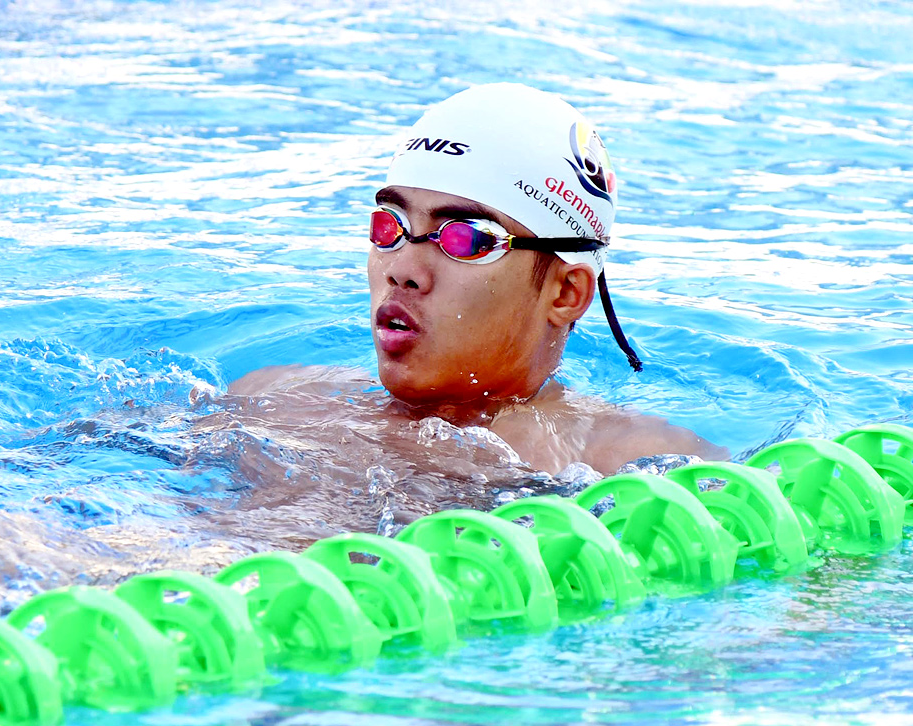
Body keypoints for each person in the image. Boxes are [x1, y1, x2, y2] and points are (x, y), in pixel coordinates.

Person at [230, 82, 727, 475]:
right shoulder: (273, 404)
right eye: (391, 227)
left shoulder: (631, 463)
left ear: (566, 293)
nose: (403, 269)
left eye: (465, 239)